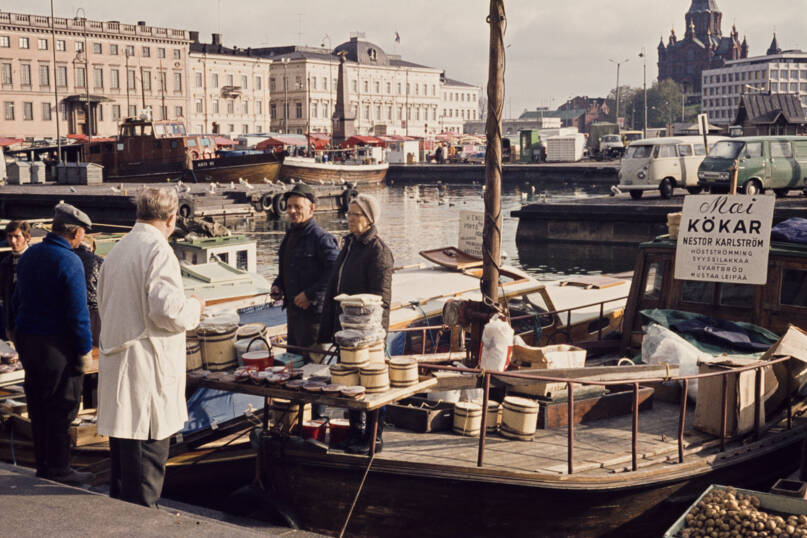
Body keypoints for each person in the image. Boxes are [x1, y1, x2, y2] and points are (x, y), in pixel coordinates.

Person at [96, 187, 204, 507]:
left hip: (120, 372)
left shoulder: (117, 250)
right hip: (146, 380)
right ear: (171, 219)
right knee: (145, 479)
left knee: (122, 477)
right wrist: (194, 307)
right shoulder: (159, 251)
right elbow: (166, 311)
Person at [12, 204, 94, 484]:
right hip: (57, 345)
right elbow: (78, 312)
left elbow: (16, 299)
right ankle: (60, 468)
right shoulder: (69, 261)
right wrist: (84, 350)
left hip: (28, 340)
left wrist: (13, 331)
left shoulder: (31, 254)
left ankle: (43, 465)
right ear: (78, 233)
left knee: (38, 404)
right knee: (62, 405)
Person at [319, 193, 394, 455]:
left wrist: (376, 338)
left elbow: (383, 300)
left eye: (356, 215)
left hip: (367, 336)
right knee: (350, 382)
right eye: (349, 214)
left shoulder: (378, 252)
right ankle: (355, 432)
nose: (350, 219)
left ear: (369, 219)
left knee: (372, 384)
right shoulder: (349, 245)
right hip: (346, 331)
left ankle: (375, 437)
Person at [271, 183, 339, 360]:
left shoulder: (322, 239)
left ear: (312, 209)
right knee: (294, 363)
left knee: (312, 367)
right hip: (293, 315)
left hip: (314, 319)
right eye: (290, 207)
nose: (292, 211)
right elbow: (287, 270)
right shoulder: (290, 237)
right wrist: (278, 285)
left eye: (298, 207)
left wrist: (311, 295)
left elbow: (335, 272)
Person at [0, 220, 30, 340]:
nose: (12, 241)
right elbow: (5, 296)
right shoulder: (5, 263)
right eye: (10, 236)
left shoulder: (36, 261)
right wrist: (8, 326)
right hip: (13, 323)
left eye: (17, 236)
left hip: (32, 324)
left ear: (27, 238)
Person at [73, 236, 103, 346]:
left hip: (72, 310)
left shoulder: (66, 258)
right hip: (94, 310)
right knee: (95, 347)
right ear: (92, 247)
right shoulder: (99, 261)